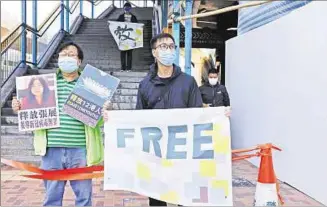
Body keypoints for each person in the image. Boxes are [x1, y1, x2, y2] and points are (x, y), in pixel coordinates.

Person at [12, 42, 105, 206]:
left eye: (71, 55)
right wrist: (20, 107)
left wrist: (104, 112)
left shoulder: (91, 86)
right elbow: (31, 111)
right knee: (51, 199)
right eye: (63, 55)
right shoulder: (45, 84)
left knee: (84, 198)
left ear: (79, 61)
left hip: (81, 149)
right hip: (51, 149)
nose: (66, 58)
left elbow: (98, 120)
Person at [137, 33, 203, 206]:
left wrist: (219, 116)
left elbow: (198, 114)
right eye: (163, 46)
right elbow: (139, 118)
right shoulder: (145, 85)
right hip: (156, 151)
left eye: (171, 46)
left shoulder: (188, 82)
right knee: (157, 196)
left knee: (184, 195)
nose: (168, 50)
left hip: (182, 150)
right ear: (154, 52)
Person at [117, 2, 138, 72]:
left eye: (128, 8)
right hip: (123, 38)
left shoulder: (134, 17)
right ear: (124, 8)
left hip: (130, 38)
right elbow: (116, 26)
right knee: (122, 53)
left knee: (129, 53)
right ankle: (123, 68)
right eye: (126, 8)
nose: (127, 10)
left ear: (130, 9)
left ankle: (129, 68)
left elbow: (137, 26)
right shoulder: (120, 17)